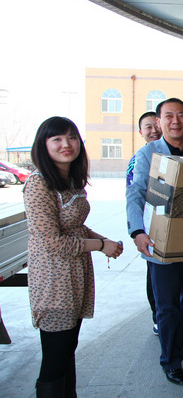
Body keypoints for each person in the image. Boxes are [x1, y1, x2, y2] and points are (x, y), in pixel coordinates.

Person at [24, 116, 123, 397]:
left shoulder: (71, 181)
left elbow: (75, 226)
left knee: (68, 349)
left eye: (72, 137)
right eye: (56, 139)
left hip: (76, 276)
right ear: (43, 145)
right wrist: (99, 246)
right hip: (53, 281)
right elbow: (53, 242)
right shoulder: (38, 184)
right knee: (55, 359)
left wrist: (103, 240)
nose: (66, 144)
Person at [126, 98, 183, 386]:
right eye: (169, 116)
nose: (175, 121)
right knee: (167, 306)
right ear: (159, 122)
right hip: (160, 241)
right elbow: (135, 193)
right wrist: (137, 231)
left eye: (181, 115)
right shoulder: (146, 154)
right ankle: (171, 360)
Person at [125, 111, 162, 336]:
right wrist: (138, 230)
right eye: (148, 127)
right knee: (155, 275)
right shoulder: (139, 159)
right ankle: (158, 317)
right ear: (141, 132)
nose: (154, 130)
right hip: (151, 228)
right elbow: (134, 195)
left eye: (156, 125)